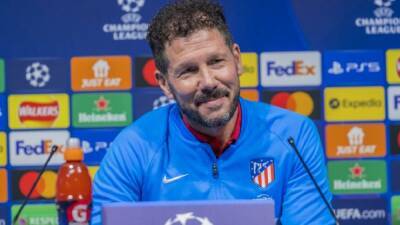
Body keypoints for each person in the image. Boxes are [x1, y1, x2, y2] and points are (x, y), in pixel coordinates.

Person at [92, 0, 334, 224]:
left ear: (237, 60)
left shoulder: (293, 136)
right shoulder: (133, 147)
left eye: (217, 61)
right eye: (188, 70)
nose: (208, 82)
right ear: (164, 83)